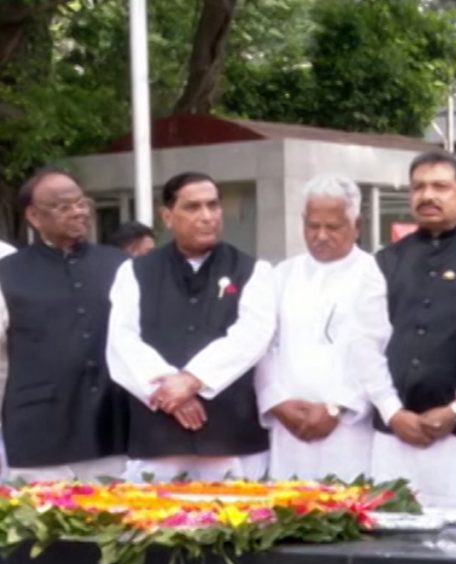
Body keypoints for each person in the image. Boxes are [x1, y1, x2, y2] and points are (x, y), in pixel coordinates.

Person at [106, 172, 275, 482]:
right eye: (193, 207)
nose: (207, 216)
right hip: (158, 435)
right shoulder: (135, 272)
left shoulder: (253, 271)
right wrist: (170, 392)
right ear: (167, 216)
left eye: (213, 205)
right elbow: (122, 340)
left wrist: (195, 379)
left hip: (230, 433)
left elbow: (252, 335)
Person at [0, 168, 127, 481]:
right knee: (36, 512)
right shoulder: (7, 271)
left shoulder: (120, 265)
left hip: (111, 422)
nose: (79, 212)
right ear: (34, 216)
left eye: (82, 203)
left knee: (116, 510)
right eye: (64, 206)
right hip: (37, 427)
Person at [371, 151, 456, 508]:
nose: (427, 195)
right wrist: (392, 411)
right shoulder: (387, 260)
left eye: (440, 187)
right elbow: (365, 344)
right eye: (418, 187)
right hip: (393, 433)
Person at [256, 175, 385, 481]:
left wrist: (337, 407)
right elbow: (263, 344)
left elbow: (378, 348)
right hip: (288, 425)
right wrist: (276, 401)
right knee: (287, 503)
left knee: (347, 503)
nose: (321, 236)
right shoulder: (283, 274)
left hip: (348, 428)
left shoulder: (375, 274)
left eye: (333, 227)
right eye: (313, 226)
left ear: (356, 226)